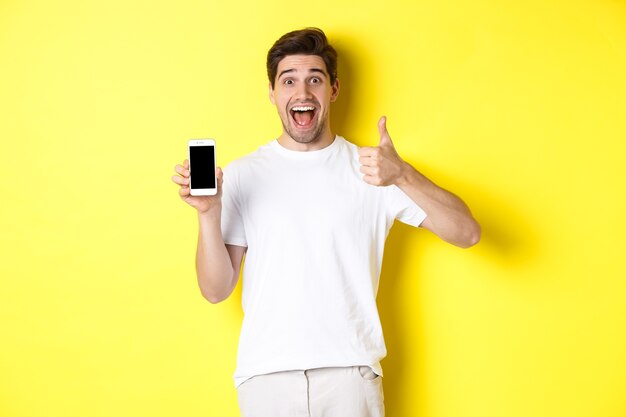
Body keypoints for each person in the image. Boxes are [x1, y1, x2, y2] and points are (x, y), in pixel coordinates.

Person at [172, 27, 480, 417]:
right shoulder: (242, 175)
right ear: (272, 93)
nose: (302, 93)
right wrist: (208, 213)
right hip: (266, 379)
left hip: (350, 375)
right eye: (289, 81)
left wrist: (403, 174)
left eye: (314, 80)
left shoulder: (374, 171)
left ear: (333, 90)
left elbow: (467, 232)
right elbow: (216, 289)